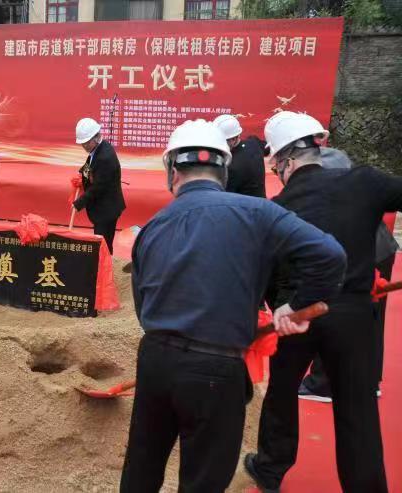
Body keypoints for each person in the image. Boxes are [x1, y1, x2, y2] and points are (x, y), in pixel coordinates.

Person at [121, 119, 346, 492]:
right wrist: (296, 305)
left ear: (172, 172)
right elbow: (330, 255)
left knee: (141, 467)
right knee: (204, 479)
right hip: (216, 368)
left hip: (156, 360)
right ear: (224, 170)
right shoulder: (259, 213)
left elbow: (144, 304)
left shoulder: (154, 226)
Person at [245, 111, 402, 493]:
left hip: (296, 316)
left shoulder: (278, 206)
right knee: (357, 407)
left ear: (284, 162)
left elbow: (267, 273)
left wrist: (277, 308)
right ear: (318, 148)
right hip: (353, 315)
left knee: (282, 392)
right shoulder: (364, 182)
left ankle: (270, 469)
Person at [298, 146, 398, 402]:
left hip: (358, 248)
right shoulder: (341, 167)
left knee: (334, 310)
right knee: (371, 317)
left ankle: (324, 383)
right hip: (379, 247)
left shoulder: (323, 177)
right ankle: (368, 380)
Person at [72, 117, 126, 253]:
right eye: (82, 143)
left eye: (86, 143)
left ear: (96, 137)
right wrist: (81, 174)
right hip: (102, 207)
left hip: (107, 209)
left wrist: (79, 203)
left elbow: (98, 187)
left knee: (103, 244)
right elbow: (89, 164)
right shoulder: (98, 149)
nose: (84, 146)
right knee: (101, 243)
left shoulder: (105, 157)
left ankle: (105, 264)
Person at [213, 114, 266, 198]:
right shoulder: (254, 142)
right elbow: (267, 150)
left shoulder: (231, 167)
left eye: (222, 141)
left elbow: (224, 196)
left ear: (233, 139)